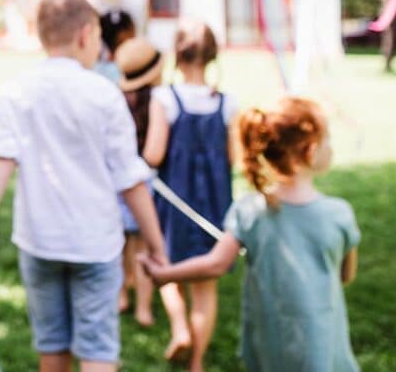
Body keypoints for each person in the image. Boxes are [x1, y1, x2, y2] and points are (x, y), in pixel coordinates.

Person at [0, 0, 165, 372]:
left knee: (52, 347)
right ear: (85, 35)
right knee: (97, 349)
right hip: (95, 243)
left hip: (39, 240)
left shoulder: (16, 92)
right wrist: (155, 242)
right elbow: (130, 179)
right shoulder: (104, 94)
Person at [141, 97, 360, 372]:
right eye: (328, 139)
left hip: (269, 340)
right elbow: (345, 275)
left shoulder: (250, 210)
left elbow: (214, 264)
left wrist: (164, 276)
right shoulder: (339, 215)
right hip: (321, 340)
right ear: (310, 149)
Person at [142, 20, 236, 371]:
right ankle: (197, 362)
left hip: (173, 201)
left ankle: (179, 327)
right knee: (205, 285)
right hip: (214, 202)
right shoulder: (227, 103)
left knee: (168, 267)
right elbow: (234, 157)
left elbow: (153, 154)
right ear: (212, 56)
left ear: (177, 57)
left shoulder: (164, 98)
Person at [112, 36, 164, 327]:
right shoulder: (159, 101)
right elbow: (155, 154)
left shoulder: (115, 99)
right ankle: (144, 308)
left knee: (120, 244)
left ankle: (121, 295)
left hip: (116, 182)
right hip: (146, 184)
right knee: (144, 248)